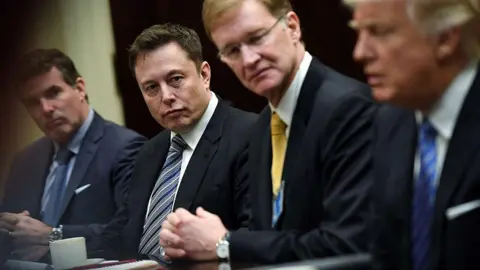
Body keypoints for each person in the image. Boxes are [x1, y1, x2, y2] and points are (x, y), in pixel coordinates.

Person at [159, 0, 376, 264]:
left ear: (293, 27)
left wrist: (225, 243)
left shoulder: (346, 108)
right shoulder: (262, 127)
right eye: (232, 50)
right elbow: (271, 234)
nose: (249, 59)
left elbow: (347, 243)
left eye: (257, 38)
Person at [91, 23, 257, 260]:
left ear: (204, 75)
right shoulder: (150, 151)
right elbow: (118, 234)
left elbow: (259, 236)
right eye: (151, 88)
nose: (166, 96)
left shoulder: (251, 135)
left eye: (176, 79)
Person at [347, 0, 480, 269]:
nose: (359, 53)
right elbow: (385, 254)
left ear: (445, 38)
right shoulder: (391, 120)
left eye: (379, 32)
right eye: (358, 31)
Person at [0, 48, 146, 262]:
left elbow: (132, 232)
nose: (46, 108)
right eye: (33, 102)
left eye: (53, 93)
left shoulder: (126, 148)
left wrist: (54, 236)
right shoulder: (25, 161)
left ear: (79, 88)